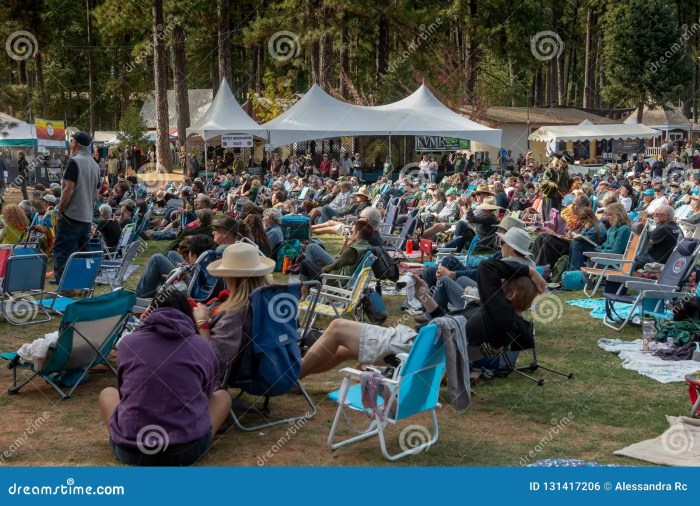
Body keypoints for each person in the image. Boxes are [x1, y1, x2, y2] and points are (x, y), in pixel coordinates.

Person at [300, 258, 546, 378]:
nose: (496, 287)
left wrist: (529, 270)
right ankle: (296, 378)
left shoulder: (500, 317)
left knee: (336, 327)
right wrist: (424, 295)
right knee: (343, 350)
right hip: (424, 350)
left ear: (511, 294)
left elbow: (486, 268)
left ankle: (285, 378)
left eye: (502, 286)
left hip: (411, 348)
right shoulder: (504, 321)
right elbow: (447, 324)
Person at [99, 289, 230, 466]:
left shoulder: (128, 343)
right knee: (223, 397)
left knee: (107, 393)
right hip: (186, 451)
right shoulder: (200, 345)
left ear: (150, 312)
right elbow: (207, 393)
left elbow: (124, 393)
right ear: (188, 314)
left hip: (130, 451)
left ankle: (120, 435)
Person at [193, 243, 275, 380]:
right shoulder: (275, 302)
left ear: (230, 277)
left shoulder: (235, 313)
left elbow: (213, 361)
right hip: (277, 368)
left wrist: (202, 322)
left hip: (246, 374)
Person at [53, 132, 101, 283]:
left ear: (76, 144)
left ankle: (65, 287)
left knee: (62, 252)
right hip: (86, 216)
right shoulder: (95, 165)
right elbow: (95, 195)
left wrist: (60, 209)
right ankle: (84, 283)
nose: (70, 144)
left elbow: (68, 189)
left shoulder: (74, 162)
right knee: (83, 253)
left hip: (71, 216)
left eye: (71, 141)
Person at [136, 234, 214, 298]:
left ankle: (139, 297)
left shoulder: (194, 275)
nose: (213, 232)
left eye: (190, 252)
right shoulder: (209, 261)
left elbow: (173, 287)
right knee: (172, 253)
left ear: (194, 255)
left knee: (156, 258)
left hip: (185, 286)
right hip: (192, 274)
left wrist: (185, 270)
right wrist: (189, 265)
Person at [633, 205, 682, 269]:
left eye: (657, 214)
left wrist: (643, 228)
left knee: (628, 262)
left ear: (665, 217)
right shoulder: (678, 228)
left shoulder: (663, 228)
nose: (654, 216)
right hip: (668, 260)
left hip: (655, 260)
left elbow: (645, 244)